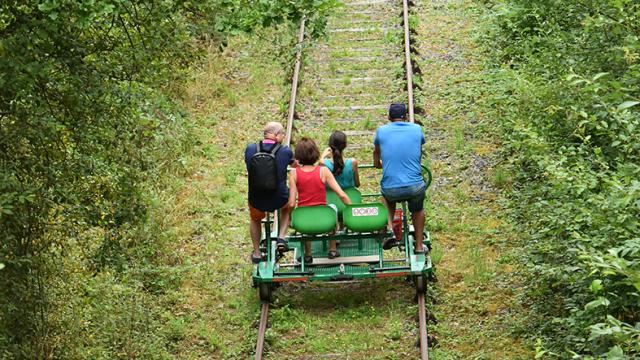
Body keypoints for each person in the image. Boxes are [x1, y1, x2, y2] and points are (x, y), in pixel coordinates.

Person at [373, 103, 427, 253]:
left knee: (387, 198)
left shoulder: (381, 131)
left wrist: (378, 164)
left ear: (389, 117)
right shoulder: (416, 129)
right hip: (415, 186)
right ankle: (418, 246)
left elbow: (376, 153)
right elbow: (418, 151)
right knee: (418, 209)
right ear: (406, 117)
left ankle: (390, 229)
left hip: (392, 188)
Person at [289, 137, 352, 262]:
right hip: (325, 220)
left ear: (298, 155)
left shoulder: (294, 173)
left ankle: (307, 254)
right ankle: (332, 250)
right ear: (315, 153)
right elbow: (342, 195)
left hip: (303, 220)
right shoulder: (323, 171)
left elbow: (291, 203)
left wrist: (292, 218)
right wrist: (353, 208)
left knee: (304, 216)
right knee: (332, 208)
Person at [244, 122, 293, 264]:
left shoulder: (250, 149)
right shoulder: (285, 151)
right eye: (283, 134)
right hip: (279, 199)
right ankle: (282, 236)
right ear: (276, 135)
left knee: (255, 219)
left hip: (256, 199)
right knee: (288, 206)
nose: (283, 136)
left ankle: (257, 253)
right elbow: (293, 163)